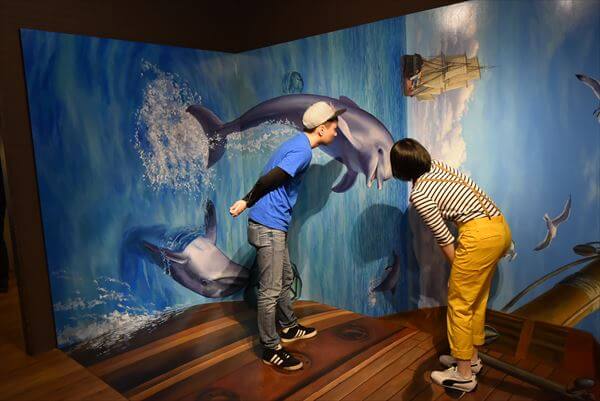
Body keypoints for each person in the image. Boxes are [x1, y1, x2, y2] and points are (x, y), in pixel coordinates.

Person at [229, 101, 346, 370]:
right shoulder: (302, 152)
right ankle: (270, 348)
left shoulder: (298, 144)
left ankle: (289, 327)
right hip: (268, 226)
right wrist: (246, 200)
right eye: (334, 127)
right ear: (320, 129)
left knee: (285, 278)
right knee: (270, 290)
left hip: (274, 224)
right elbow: (271, 178)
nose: (336, 132)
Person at [389, 138, 511, 392]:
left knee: (459, 303)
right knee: (475, 298)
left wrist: (459, 271)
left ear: (399, 169)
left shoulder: (420, 195)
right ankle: (470, 359)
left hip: (479, 236)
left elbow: (444, 239)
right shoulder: (439, 167)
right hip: (499, 228)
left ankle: (464, 374)